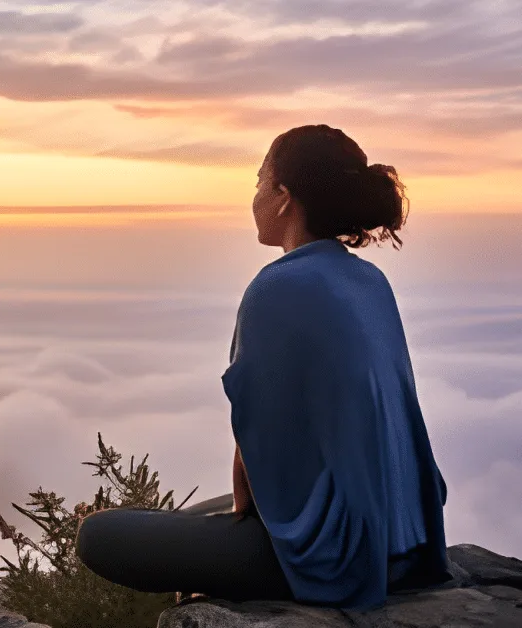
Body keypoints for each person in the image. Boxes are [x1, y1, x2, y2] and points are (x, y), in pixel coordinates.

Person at [74, 124, 452, 610]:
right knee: (192, 516)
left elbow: (255, 452)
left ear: (283, 198)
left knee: (100, 536)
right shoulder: (369, 280)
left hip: (338, 559)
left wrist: (227, 553)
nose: (253, 196)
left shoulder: (277, 287)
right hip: (402, 540)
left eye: (259, 182)